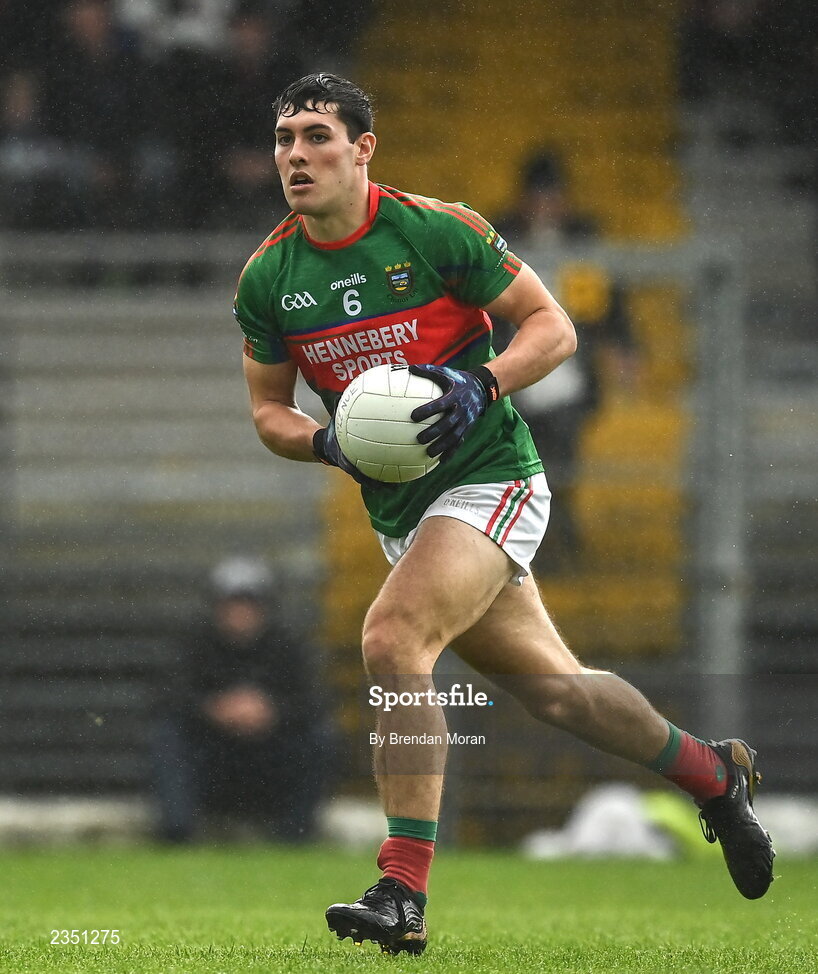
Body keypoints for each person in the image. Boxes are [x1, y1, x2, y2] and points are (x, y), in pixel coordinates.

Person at [232, 73, 774, 955]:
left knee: (390, 639)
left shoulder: (435, 228)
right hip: (405, 513)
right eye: (285, 137)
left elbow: (552, 329)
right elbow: (268, 414)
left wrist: (478, 381)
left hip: (495, 477)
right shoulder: (269, 276)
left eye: (317, 137)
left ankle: (401, 890)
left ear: (363, 149)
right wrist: (326, 445)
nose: (296, 154)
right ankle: (714, 773)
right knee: (557, 692)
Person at [152, 557, 332, 843]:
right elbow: (169, 697)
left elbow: (314, 701)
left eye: (249, 604)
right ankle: (177, 829)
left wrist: (271, 712)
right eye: (232, 604)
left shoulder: (288, 646)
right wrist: (215, 709)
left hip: (270, 759)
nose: (240, 613)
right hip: (212, 760)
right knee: (168, 738)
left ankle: (295, 832)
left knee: (320, 739)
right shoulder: (195, 644)